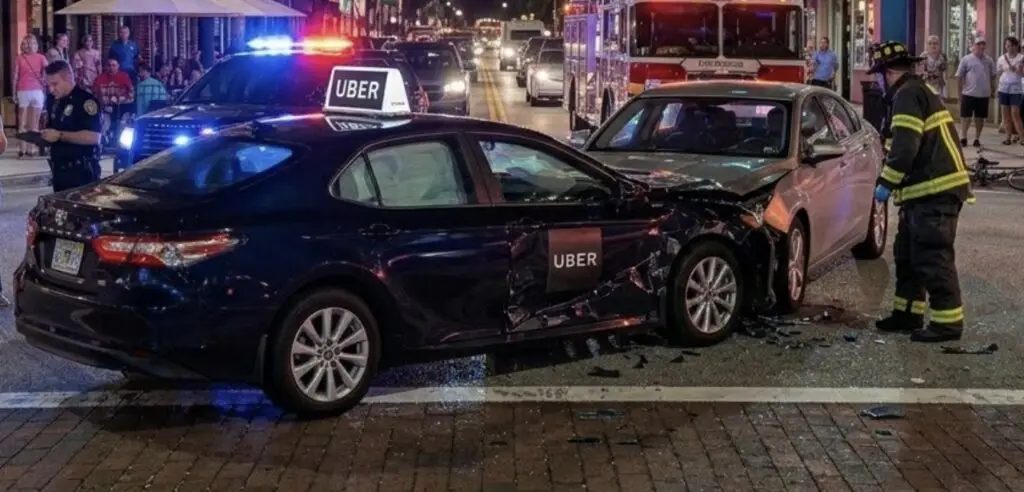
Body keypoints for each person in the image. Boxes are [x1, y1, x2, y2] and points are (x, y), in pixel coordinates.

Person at [870, 41, 974, 343]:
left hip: (935, 192)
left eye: (878, 75)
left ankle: (947, 323)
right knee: (908, 255)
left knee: (932, 256)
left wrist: (885, 184)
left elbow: (905, 147)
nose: (878, 81)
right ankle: (907, 314)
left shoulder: (907, 95)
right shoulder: (914, 92)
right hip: (922, 193)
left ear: (888, 73)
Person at [41, 60, 102, 192]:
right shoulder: (53, 101)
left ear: (68, 78)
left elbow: (94, 137)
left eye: (55, 84)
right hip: (59, 171)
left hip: (81, 172)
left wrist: (60, 136)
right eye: (48, 85)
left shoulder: (85, 101)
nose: (51, 89)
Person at [954, 38, 996, 148]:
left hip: (983, 94)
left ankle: (977, 138)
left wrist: (992, 88)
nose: (981, 47)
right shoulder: (966, 59)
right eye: (979, 44)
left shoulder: (989, 60)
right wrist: (959, 94)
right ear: (973, 46)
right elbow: (959, 77)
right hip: (968, 93)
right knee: (965, 117)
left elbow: (993, 75)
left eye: (983, 44)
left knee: (980, 118)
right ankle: (963, 137)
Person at [13, 34, 48, 158]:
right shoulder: (41, 57)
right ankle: (30, 149)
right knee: (32, 122)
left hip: (24, 90)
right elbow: (47, 71)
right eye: (27, 43)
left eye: (31, 43)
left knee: (24, 122)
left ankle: (23, 149)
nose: (29, 46)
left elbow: (15, 76)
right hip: (36, 91)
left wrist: (13, 93)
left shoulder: (20, 58)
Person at [92, 58, 134, 148]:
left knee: (123, 126)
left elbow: (131, 94)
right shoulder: (100, 78)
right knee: (103, 124)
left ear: (118, 66)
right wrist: (101, 102)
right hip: (105, 109)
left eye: (114, 65)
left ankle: (122, 146)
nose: (111, 67)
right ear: (106, 67)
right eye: (109, 65)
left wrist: (122, 100)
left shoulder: (124, 77)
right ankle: (101, 145)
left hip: (122, 108)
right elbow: (94, 95)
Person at [996, 36, 1024, 145]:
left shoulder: (1021, 58)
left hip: (1015, 88)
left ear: (1016, 46)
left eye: (1012, 45)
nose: (1009, 48)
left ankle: (1021, 137)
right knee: (1005, 113)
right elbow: (998, 72)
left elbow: (1022, 74)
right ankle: (1008, 137)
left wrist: (1017, 71)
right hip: (1003, 87)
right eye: (1007, 45)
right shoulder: (1002, 58)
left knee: (1015, 113)